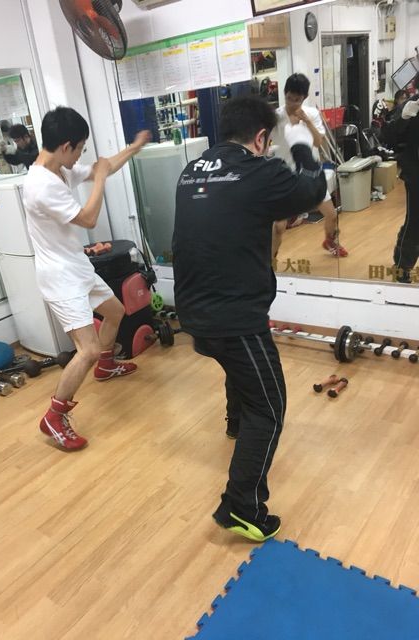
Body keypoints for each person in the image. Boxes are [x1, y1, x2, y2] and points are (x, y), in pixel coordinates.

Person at [172, 96, 326, 542]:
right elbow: (314, 190)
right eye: (269, 141)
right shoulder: (259, 170)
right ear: (260, 138)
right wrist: (301, 146)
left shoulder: (191, 171)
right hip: (234, 318)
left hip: (192, 312)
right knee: (271, 407)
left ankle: (235, 422)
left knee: (239, 370)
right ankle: (243, 508)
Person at [23, 106, 150, 450]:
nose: (81, 155)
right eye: (80, 148)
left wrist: (133, 148)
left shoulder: (59, 169)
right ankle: (54, 417)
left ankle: (105, 366)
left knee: (115, 311)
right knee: (88, 349)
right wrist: (102, 177)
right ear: (66, 146)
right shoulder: (40, 185)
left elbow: (100, 167)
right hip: (59, 277)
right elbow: (89, 218)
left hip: (76, 265)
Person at [270, 73, 348, 259]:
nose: (292, 103)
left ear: (304, 98)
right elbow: (263, 140)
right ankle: (270, 260)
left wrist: (306, 121)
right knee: (279, 226)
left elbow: (318, 142)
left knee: (331, 215)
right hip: (285, 177)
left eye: (297, 100)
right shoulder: (276, 117)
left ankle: (330, 241)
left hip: (310, 176)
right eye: (289, 98)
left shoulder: (311, 114)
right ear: (284, 94)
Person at [390, 75, 419, 283]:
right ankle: (402, 267)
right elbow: (388, 136)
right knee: (415, 221)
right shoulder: (411, 106)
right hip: (416, 174)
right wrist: (404, 118)